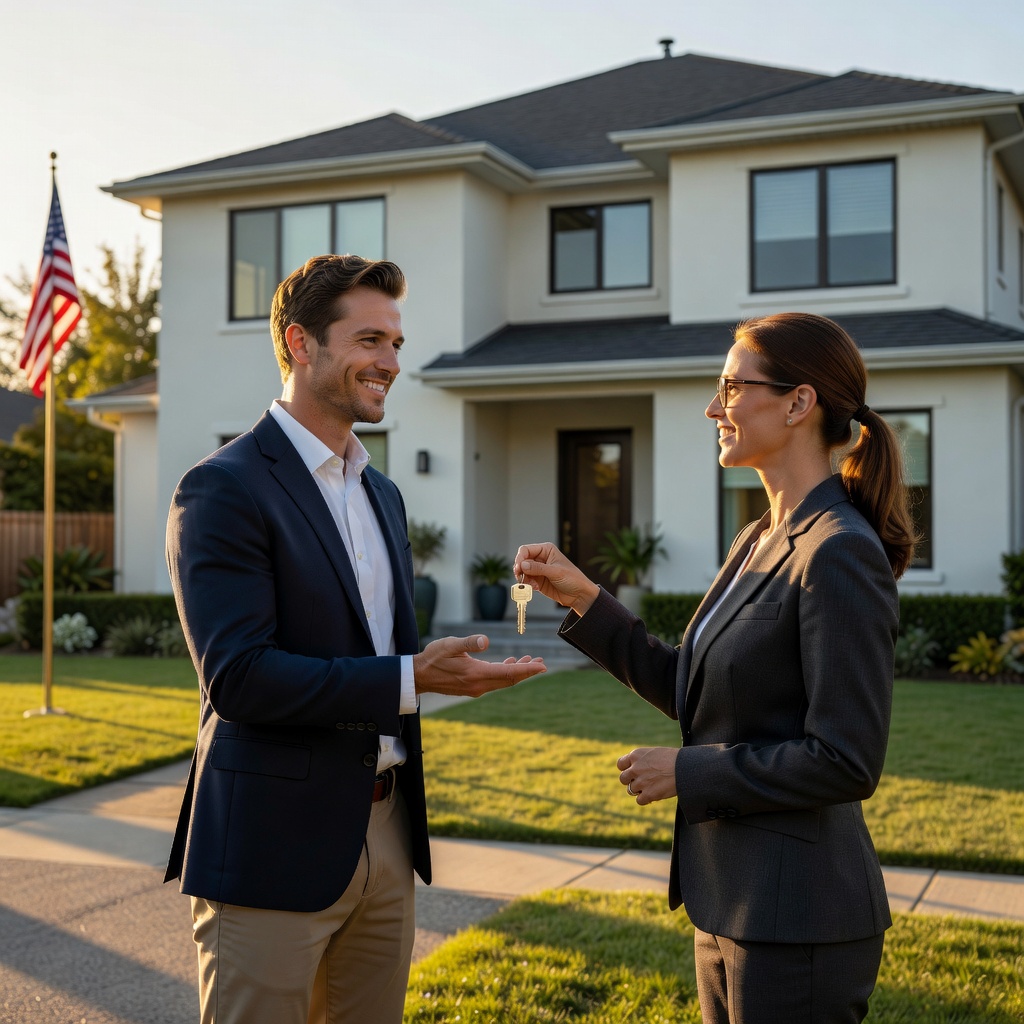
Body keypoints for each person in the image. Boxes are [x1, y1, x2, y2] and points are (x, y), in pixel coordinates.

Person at [165, 253, 546, 1024]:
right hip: (272, 846)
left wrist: (432, 675)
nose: (390, 362)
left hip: (387, 831)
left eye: (396, 344)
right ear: (301, 344)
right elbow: (239, 678)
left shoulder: (383, 493)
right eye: (369, 340)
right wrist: (411, 680)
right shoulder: (223, 487)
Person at [516, 312, 914, 1024]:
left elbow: (847, 760)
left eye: (732, 387)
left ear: (798, 403)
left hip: (801, 921)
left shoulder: (838, 551)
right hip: (730, 903)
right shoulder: (759, 537)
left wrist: (688, 772)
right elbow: (695, 691)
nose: (713, 408)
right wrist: (586, 600)